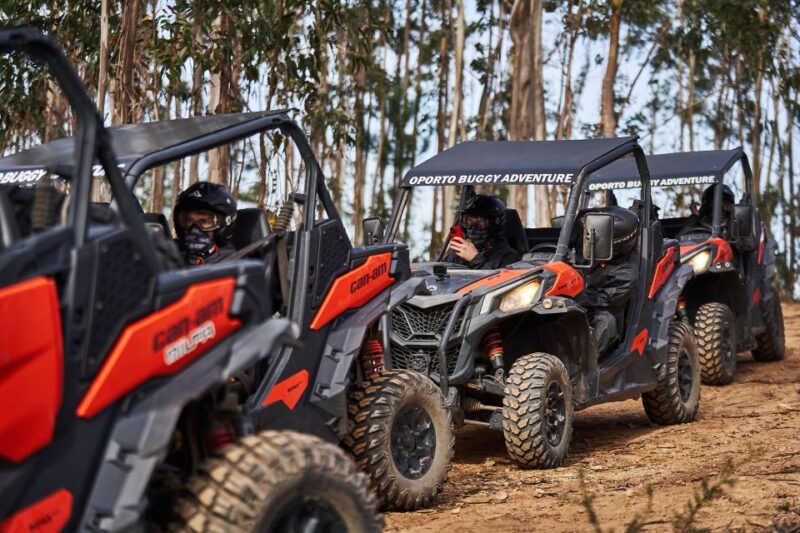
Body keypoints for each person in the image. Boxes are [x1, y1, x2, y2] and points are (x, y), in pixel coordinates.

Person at [577, 206, 640, 354]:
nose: (587, 240)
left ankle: (585, 368)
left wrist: (574, 296)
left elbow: (601, 300)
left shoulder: (626, 274)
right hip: (579, 307)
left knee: (605, 322)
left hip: (600, 315)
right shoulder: (592, 252)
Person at [443, 194, 521, 269]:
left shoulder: (509, 257)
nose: (473, 228)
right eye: (469, 221)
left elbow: (500, 281)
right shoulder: (459, 251)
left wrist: (475, 259)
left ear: (495, 224)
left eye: (481, 222)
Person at [172, 182, 237, 265]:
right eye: (188, 220)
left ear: (225, 224)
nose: (194, 229)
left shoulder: (233, 265)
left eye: (204, 221)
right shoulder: (171, 254)